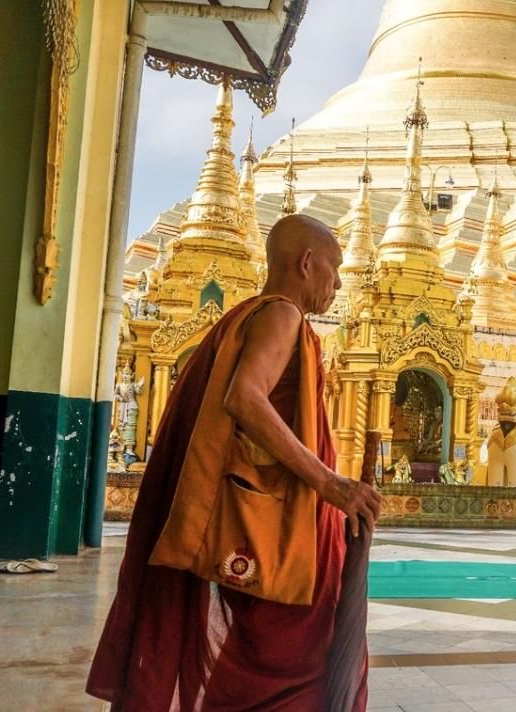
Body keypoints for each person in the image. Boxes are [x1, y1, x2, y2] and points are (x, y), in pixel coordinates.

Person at [87, 215, 383, 710]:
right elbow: (244, 398)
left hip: (277, 523)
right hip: (282, 532)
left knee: (259, 658)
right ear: (306, 263)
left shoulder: (246, 317)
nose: (337, 285)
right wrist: (331, 483)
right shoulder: (282, 315)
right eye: (334, 270)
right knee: (294, 664)